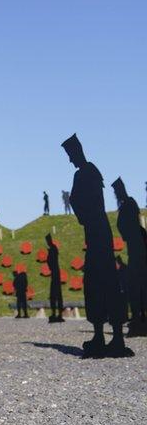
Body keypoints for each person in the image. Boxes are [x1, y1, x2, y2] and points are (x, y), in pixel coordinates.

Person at [63, 134, 131, 357]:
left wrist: (75, 203)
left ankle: (108, 337)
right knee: (102, 281)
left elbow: (84, 204)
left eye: (71, 155)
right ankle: (106, 336)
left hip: (96, 232)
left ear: (77, 153)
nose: (71, 160)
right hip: (98, 232)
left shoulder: (84, 173)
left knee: (99, 282)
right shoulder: (90, 172)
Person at [113, 178, 146, 336]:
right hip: (136, 248)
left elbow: (122, 225)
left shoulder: (128, 204)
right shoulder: (129, 204)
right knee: (137, 283)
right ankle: (139, 317)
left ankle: (139, 317)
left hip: (136, 250)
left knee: (137, 283)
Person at [45, 234, 64, 323]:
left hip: (55, 273)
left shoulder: (53, 248)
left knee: (55, 294)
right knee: (55, 294)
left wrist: (49, 254)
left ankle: (58, 314)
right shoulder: (53, 248)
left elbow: (50, 260)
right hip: (55, 273)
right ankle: (56, 313)